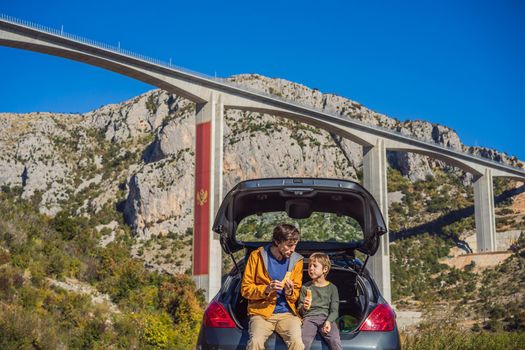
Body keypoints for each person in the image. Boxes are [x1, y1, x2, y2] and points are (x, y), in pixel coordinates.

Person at [241, 223, 304, 350]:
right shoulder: (256, 256)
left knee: (297, 343)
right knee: (255, 342)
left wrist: (289, 292)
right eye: (289, 245)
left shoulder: (297, 261)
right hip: (261, 313)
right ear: (277, 241)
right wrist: (266, 289)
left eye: (295, 245)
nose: (293, 249)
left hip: (287, 314)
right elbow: (245, 290)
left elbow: (296, 294)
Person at [298, 252, 342, 350]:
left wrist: (329, 321)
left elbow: (334, 310)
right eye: (309, 266)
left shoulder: (332, 288)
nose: (311, 268)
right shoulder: (305, 287)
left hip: (326, 318)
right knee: (303, 342)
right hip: (309, 319)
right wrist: (304, 308)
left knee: (335, 341)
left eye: (315, 266)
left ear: (325, 269)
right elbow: (299, 310)